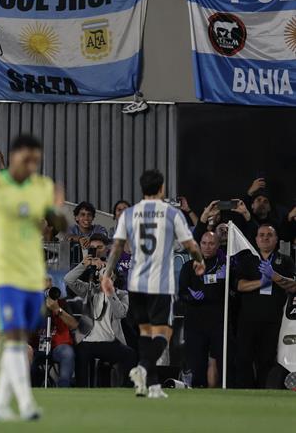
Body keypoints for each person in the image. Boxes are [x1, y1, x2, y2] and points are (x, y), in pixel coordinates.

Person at [0, 134, 67, 421]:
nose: (31, 165)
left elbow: (57, 227)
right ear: (15, 156)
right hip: (4, 273)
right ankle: (26, 402)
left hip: (33, 275)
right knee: (16, 337)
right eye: (27, 159)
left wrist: (58, 210)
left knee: (19, 340)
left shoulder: (41, 187)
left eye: (36, 160)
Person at [103, 169, 205, 399]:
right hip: (160, 284)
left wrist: (107, 274)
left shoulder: (129, 214)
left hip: (136, 282)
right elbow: (190, 244)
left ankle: (151, 385)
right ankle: (143, 369)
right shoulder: (171, 213)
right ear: (161, 189)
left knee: (144, 333)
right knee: (163, 334)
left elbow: (117, 246)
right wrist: (199, 261)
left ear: (142, 188)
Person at [65, 235, 136, 387]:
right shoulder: (91, 290)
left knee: (130, 354)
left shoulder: (122, 295)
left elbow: (120, 314)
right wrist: (84, 264)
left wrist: (109, 291)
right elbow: (68, 280)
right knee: (81, 350)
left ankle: (127, 391)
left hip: (111, 342)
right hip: (88, 341)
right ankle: (81, 390)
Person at [235, 224, 296, 388]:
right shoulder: (248, 260)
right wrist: (261, 282)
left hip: (273, 318)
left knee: (267, 359)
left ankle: (265, 391)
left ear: (276, 239)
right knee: (244, 358)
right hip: (248, 318)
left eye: (269, 235)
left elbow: (293, 286)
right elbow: (239, 285)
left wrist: (274, 276)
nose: (265, 238)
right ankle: (244, 392)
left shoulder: (285, 260)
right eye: (261, 235)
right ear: (256, 239)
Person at [179, 230, 226, 388]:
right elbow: (182, 293)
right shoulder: (188, 266)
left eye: (211, 243)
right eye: (204, 243)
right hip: (195, 322)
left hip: (217, 321)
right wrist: (191, 296)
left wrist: (218, 279)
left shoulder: (223, 265)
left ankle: (220, 391)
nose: (207, 247)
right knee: (196, 361)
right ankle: (198, 390)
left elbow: (225, 291)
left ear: (218, 245)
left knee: (219, 360)